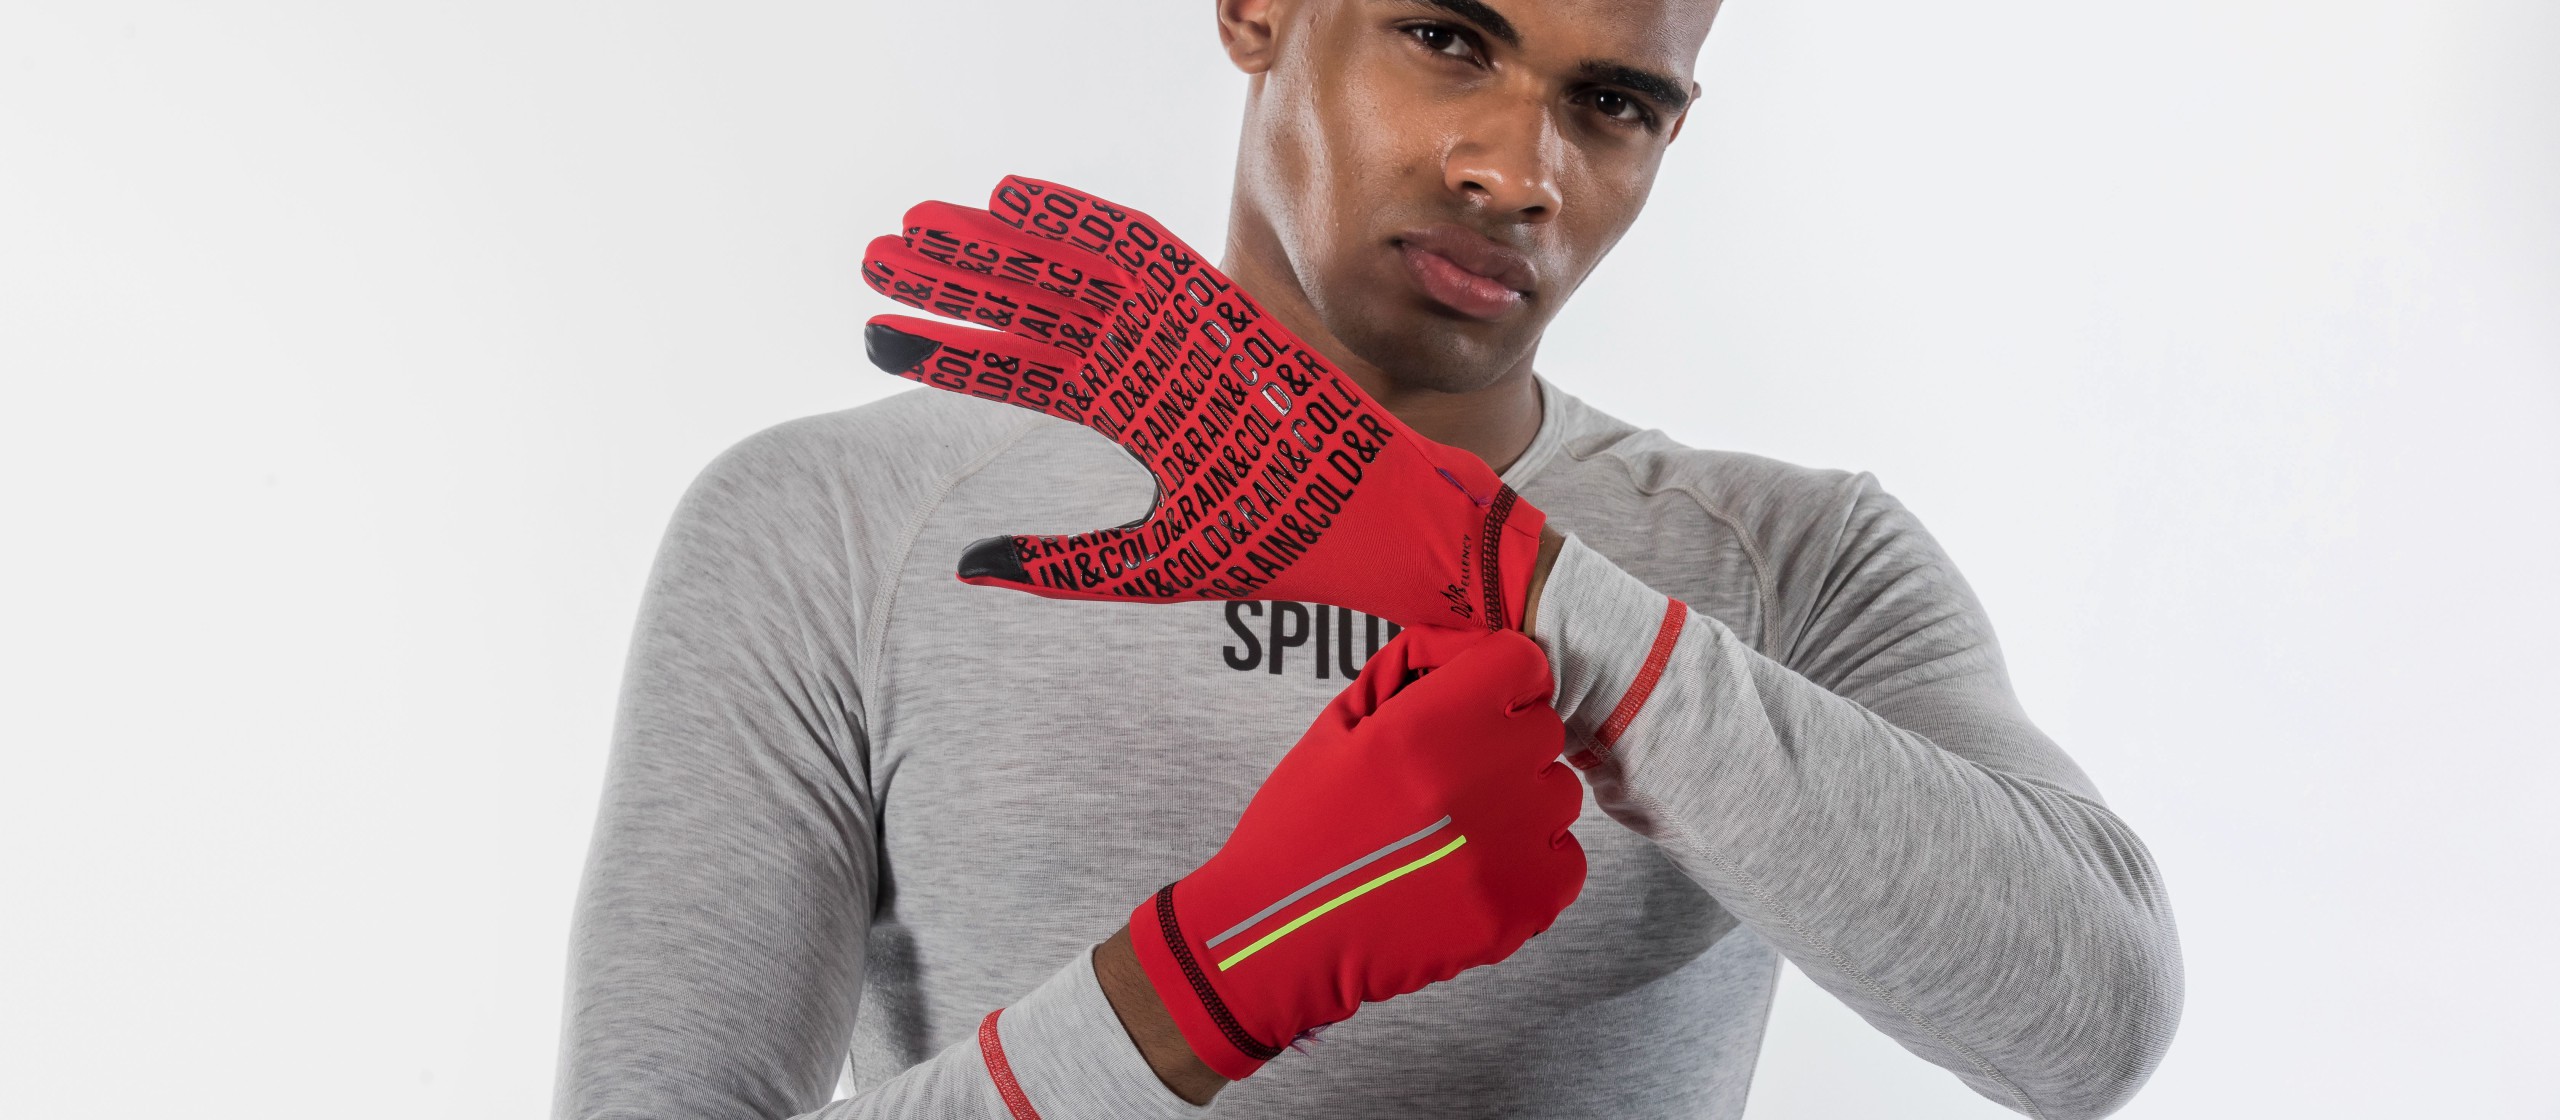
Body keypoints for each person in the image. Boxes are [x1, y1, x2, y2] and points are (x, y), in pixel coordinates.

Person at [553, 2, 2183, 1117]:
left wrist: (1517, 583)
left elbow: (2089, 1024)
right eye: (1448, 38)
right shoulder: (836, 524)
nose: (1516, 174)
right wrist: (1196, 988)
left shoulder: (1792, 564)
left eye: (1612, 103)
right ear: (1259, 8)